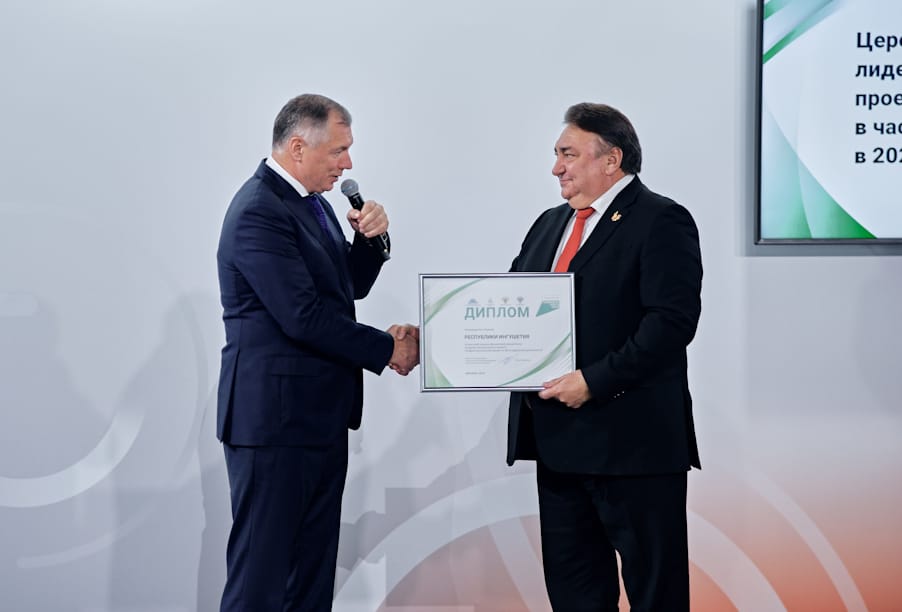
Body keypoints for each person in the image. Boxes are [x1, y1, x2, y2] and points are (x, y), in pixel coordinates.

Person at [215, 93, 418, 611]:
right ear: (298, 147)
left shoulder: (313, 204)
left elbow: (345, 288)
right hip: (274, 426)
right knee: (261, 579)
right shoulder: (259, 210)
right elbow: (301, 316)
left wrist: (370, 241)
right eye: (338, 151)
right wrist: (388, 349)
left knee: (310, 576)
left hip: (315, 421)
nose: (347, 163)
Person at [507, 103, 702, 611]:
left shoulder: (661, 219)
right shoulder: (548, 225)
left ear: (611, 159)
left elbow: (671, 323)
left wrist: (594, 381)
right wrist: (437, 339)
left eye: (568, 154)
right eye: (557, 155)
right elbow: (508, 308)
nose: (556, 167)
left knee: (655, 595)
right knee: (575, 596)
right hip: (558, 448)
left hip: (633, 446)